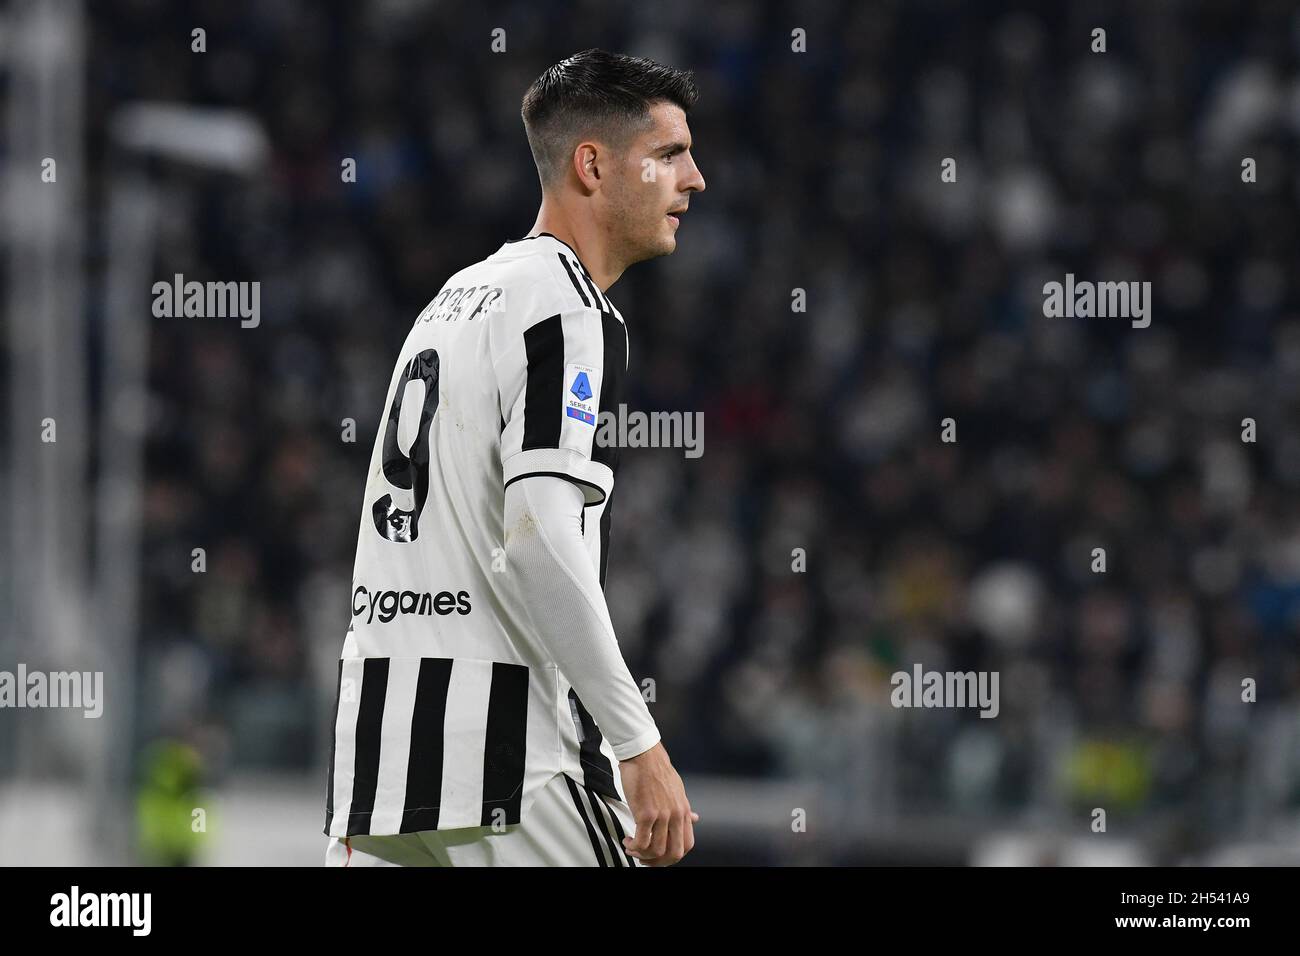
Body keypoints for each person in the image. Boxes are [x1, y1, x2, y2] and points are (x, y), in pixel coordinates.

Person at [323, 48, 707, 866]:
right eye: (670, 154)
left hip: (381, 763)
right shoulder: (564, 307)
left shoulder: (451, 300)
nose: (695, 179)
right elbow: (536, 534)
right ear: (593, 165)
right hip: (510, 765)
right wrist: (638, 744)